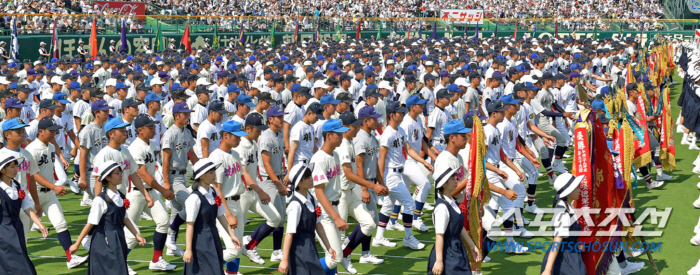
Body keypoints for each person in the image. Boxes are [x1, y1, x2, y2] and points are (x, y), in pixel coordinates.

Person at [25, 117, 89, 268]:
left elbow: (49, 166)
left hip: (49, 195)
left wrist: (53, 187)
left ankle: (70, 258)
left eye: (55, 130)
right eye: (51, 130)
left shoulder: (51, 147)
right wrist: (54, 187)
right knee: (22, 233)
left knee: (61, 224)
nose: (54, 133)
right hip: (32, 196)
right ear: (41, 131)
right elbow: (33, 175)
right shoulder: (31, 150)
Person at [69, 160, 146, 275]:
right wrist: (77, 243)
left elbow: (125, 218)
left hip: (118, 239)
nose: (121, 175)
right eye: (117, 173)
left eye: (121, 172)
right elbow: (90, 223)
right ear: (108, 178)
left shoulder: (120, 196)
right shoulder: (100, 200)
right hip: (104, 242)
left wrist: (137, 235)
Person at [376, 101, 432, 250]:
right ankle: (408, 238)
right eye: (399, 112)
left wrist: (423, 162)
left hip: (398, 172)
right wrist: (380, 181)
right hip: (390, 175)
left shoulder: (400, 130)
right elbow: (381, 160)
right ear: (392, 115)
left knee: (387, 207)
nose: (402, 114)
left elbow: (408, 150)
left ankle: (379, 237)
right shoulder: (387, 134)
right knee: (409, 204)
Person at [126, 114, 177, 271]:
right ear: (140, 130)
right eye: (150, 127)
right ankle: (119, 261)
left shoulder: (152, 144)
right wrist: (162, 190)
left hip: (151, 192)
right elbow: (143, 173)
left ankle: (156, 260)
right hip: (136, 193)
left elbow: (154, 169)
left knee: (163, 221)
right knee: (131, 234)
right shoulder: (134, 148)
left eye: (154, 126)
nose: (154, 129)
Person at [182, 158, 241, 275]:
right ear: (202, 176)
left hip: (213, 236)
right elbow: (190, 225)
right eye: (211, 172)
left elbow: (221, 216)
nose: (215, 175)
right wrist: (188, 250)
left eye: (214, 171)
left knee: (215, 268)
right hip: (200, 240)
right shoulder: (194, 198)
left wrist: (232, 235)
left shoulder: (213, 192)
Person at [278, 164, 336, 275]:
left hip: (310, 246)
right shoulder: (295, 205)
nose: (311, 179)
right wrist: (284, 260)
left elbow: (318, 225)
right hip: (298, 250)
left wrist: (329, 247)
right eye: (308, 177)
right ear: (299, 183)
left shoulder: (312, 199)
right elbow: (289, 233)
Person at [210, 120, 249, 275]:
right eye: (236, 136)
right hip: (225, 205)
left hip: (237, 202)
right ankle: (203, 264)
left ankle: (231, 273)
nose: (239, 139)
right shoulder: (217, 157)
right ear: (225, 135)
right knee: (233, 250)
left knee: (238, 248)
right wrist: (228, 213)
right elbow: (217, 187)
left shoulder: (236, 154)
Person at [428, 164, 481, 275]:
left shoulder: (452, 201)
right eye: (452, 179)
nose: (456, 180)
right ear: (444, 184)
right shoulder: (442, 207)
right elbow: (439, 235)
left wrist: (472, 246)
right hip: (447, 254)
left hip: (456, 249)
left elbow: (459, 227)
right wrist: (439, 261)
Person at [0, 154, 48, 275]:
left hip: (17, 227)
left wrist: (39, 224)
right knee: (16, 260)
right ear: (2, 170)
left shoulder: (17, 185)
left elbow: (27, 207)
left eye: (16, 166)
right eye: (12, 167)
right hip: (3, 230)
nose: (16, 169)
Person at [540, 173, 587, 275]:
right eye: (576, 188)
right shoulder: (563, 214)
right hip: (565, 260)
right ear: (569, 192)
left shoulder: (569, 207)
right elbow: (556, 242)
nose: (579, 190)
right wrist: (547, 270)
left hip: (571, 255)